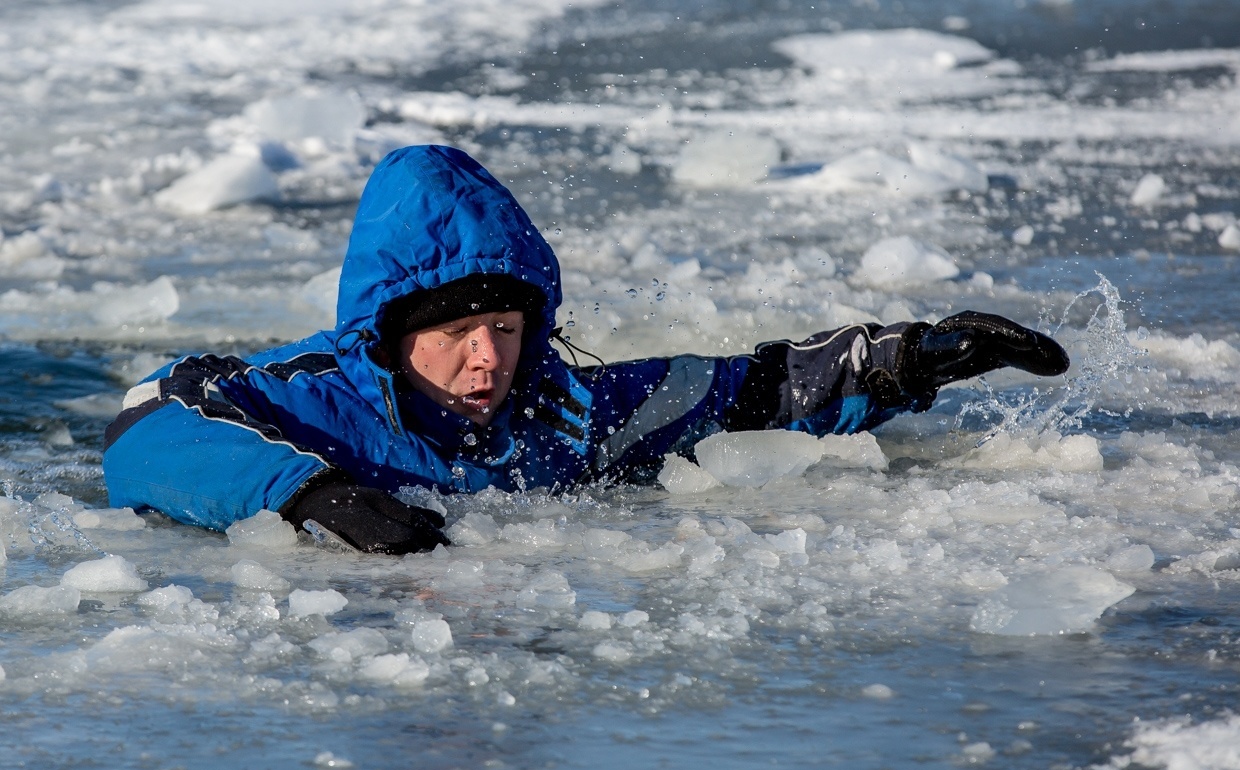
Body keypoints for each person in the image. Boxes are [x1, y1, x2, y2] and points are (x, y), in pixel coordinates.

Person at [103, 145, 1069, 554]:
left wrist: (901, 358)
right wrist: (311, 494)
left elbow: (750, 390)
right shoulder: (312, 396)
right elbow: (144, 423)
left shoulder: (564, 408)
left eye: (508, 330)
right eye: (454, 336)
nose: (488, 361)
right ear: (392, 335)